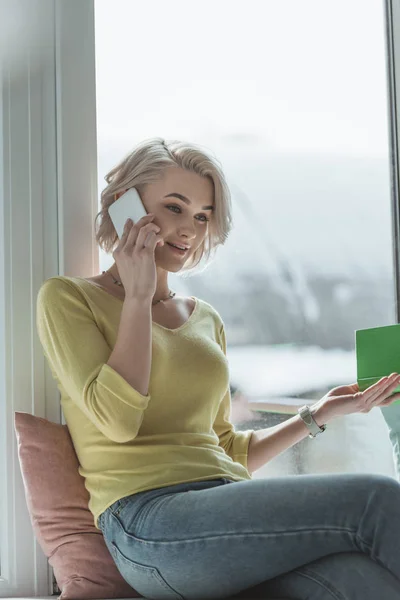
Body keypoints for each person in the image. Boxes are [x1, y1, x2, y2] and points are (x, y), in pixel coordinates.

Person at [36, 137, 400, 600]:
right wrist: (138, 297)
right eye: (174, 207)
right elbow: (119, 422)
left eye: (202, 216)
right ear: (124, 205)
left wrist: (318, 414)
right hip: (149, 526)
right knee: (378, 499)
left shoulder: (205, 318)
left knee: (358, 579)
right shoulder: (68, 298)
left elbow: (227, 449)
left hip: (220, 511)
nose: (188, 228)